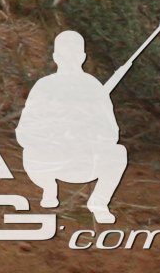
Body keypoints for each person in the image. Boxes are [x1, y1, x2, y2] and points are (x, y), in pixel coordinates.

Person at [18, 28, 131, 223]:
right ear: (55, 57)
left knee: (118, 153)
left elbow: (111, 133)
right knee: (29, 153)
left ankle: (99, 203)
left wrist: (88, 133)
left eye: (74, 53)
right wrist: (52, 135)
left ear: (82, 57)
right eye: (64, 53)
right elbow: (24, 131)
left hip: (83, 159)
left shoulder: (94, 87)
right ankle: (49, 188)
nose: (69, 58)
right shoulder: (44, 86)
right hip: (50, 158)